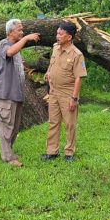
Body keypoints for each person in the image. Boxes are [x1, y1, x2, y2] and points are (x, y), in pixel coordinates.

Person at [0, 19, 40, 167]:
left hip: (16, 94)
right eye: (20, 30)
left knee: (14, 126)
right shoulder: (4, 44)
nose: (22, 32)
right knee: (6, 125)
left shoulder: (17, 48)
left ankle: (9, 152)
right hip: (5, 93)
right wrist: (26, 39)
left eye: (23, 31)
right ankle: (8, 158)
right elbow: (10, 53)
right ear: (11, 31)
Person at [42, 22, 87, 162]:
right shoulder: (55, 48)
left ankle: (69, 153)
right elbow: (52, 62)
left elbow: (79, 77)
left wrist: (74, 98)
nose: (57, 36)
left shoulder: (77, 54)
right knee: (53, 122)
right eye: (57, 33)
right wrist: (48, 72)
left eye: (60, 34)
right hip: (53, 92)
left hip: (68, 93)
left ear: (69, 37)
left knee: (69, 124)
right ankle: (52, 151)